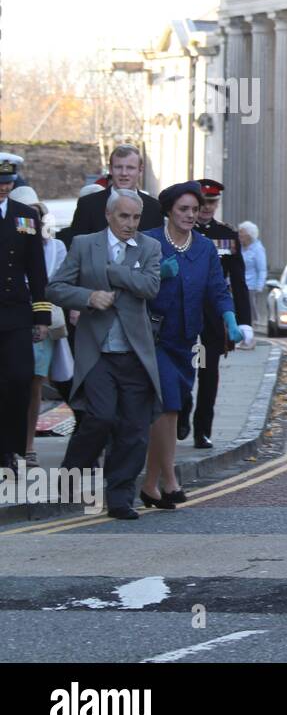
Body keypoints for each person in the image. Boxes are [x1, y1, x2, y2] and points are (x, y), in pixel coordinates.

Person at [49, 188, 162, 519]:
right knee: (100, 417)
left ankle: (120, 497)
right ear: (109, 215)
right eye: (124, 216)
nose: (130, 224)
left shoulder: (149, 247)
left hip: (135, 353)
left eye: (136, 217)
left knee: (134, 429)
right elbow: (55, 288)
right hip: (97, 352)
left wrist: (115, 272)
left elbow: (150, 287)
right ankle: (71, 472)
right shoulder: (84, 245)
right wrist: (88, 297)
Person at [139, 182, 240, 509]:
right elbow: (132, 282)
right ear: (169, 210)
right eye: (183, 209)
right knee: (169, 405)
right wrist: (159, 275)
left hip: (186, 340)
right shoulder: (149, 241)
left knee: (173, 406)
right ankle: (170, 480)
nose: (190, 215)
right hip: (154, 336)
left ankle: (150, 485)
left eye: (194, 210)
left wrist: (230, 319)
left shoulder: (205, 247)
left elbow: (218, 289)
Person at [179, 180, 253, 448]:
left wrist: (244, 322)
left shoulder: (227, 235)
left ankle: (202, 430)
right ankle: (182, 411)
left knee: (208, 373)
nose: (208, 208)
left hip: (213, 316)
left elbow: (239, 281)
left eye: (213, 202)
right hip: (183, 312)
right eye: (204, 202)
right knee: (183, 368)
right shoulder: (181, 231)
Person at [10, 188, 73, 467]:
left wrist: (42, 318)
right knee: (9, 383)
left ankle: (27, 446)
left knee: (34, 383)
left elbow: (53, 284)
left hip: (38, 321)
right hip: (10, 320)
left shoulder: (54, 247)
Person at [0, 156, 53, 473]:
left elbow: (36, 270)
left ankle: (12, 447)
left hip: (16, 311)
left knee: (20, 379)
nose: (3, 188)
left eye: (8, 182)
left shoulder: (26, 216)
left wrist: (42, 316)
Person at [64, 145, 163, 242]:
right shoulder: (87, 204)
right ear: (110, 169)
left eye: (130, 168)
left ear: (140, 170)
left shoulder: (155, 208)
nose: (124, 173)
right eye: (118, 167)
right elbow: (77, 246)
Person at [239, 221, 268, 330]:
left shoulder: (257, 249)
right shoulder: (240, 248)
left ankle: (251, 329)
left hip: (251, 286)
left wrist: (259, 287)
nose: (239, 236)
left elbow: (262, 270)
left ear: (249, 235)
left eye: (241, 233)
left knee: (250, 310)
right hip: (239, 284)